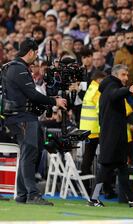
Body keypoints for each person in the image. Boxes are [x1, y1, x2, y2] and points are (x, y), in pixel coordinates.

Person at [2, 38, 67, 205]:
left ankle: (22, 194)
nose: (36, 56)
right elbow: (32, 95)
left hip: (19, 117)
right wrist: (54, 102)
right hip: (22, 117)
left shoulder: (13, 67)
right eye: (36, 52)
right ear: (30, 52)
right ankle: (32, 194)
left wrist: (49, 99)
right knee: (29, 154)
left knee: (27, 153)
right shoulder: (19, 69)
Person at [88, 64, 133, 208]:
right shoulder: (111, 86)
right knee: (105, 167)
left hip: (116, 135)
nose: (126, 78)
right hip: (111, 136)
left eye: (126, 74)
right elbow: (114, 95)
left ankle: (131, 200)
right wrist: (127, 90)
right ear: (116, 75)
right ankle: (93, 199)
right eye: (124, 75)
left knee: (122, 167)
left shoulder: (110, 86)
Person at [79, 71, 106, 194]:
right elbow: (100, 111)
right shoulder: (97, 91)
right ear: (100, 80)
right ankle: (105, 188)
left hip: (87, 129)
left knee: (87, 159)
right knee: (105, 159)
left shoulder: (91, 89)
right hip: (95, 130)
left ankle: (85, 188)